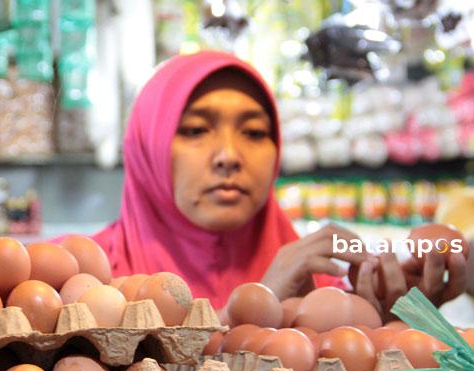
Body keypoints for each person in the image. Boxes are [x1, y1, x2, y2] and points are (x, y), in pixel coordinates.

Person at [90, 50, 466, 315]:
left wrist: (387, 316)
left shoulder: (323, 283)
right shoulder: (85, 279)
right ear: (145, 145)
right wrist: (257, 305)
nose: (229, 156)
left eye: (254, 132)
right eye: (195, 129)